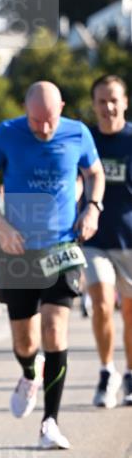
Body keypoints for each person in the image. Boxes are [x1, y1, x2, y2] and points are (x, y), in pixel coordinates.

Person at [0, 80, 105, 449]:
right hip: (17, 251)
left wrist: (92, 208)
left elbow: (94, 174)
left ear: (62, 107)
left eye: (49, 120)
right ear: (24, 110)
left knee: (53, 328)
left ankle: (50, 422)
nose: (44, 129)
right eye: (36, 121)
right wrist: (0, 226)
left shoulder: (78, 134)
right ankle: (29, 373)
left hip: (61, 247)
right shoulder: (6, 134)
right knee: (25, 339)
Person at [83, 74, 132, 407]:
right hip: (94, 237)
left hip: (130, 239)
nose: (108, 107)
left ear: (125, 102)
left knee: (130, 311)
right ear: (94, 105)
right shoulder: (85, 140)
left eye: (114, 99)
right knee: (101, 301)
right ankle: (106, 370)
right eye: (101, 101)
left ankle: (130, 372)